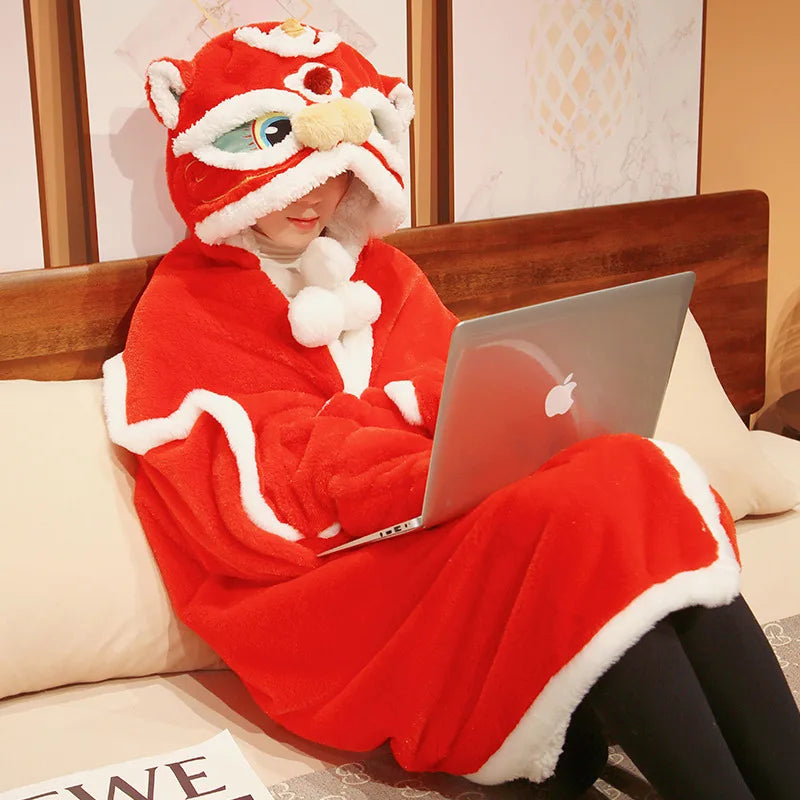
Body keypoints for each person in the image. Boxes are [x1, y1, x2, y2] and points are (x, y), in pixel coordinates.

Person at [103, 19, 800, 800]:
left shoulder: (387, 274)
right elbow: (255, 505)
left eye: (336, 171)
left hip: (433, 536)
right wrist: (410, 452)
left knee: (631, 469)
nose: (317, 195)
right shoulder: (185, 305)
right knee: (584, 511)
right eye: (292, 175)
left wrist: (466, 441)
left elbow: (459, 393)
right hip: (318, 601)